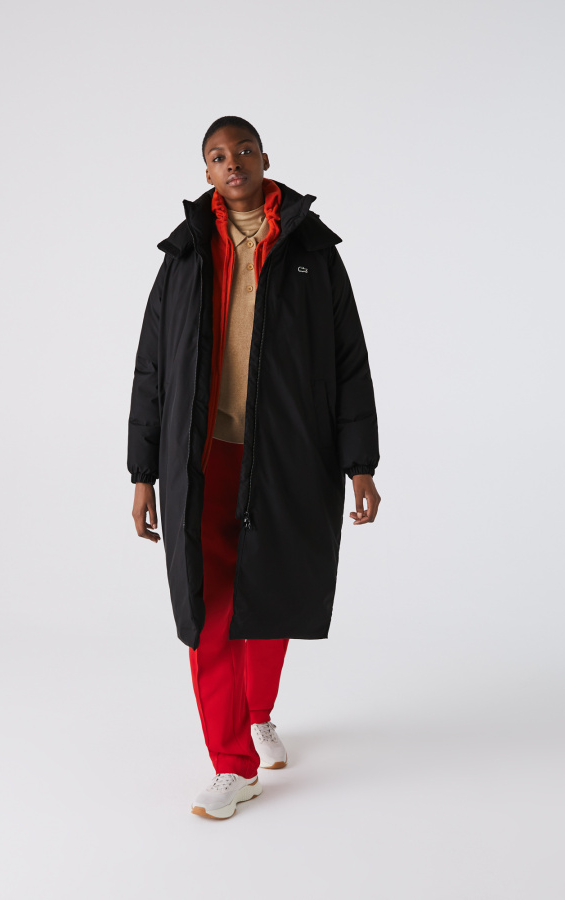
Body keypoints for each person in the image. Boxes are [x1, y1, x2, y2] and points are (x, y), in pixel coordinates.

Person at [127, 115, 381, 819]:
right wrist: (143, 472)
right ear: (206, 171)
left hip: (289, 454)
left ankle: (259, 711)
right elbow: (152, 367)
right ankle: (232, 764)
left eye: (242, 151)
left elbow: (348, 361)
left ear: (264, 158)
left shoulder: (312, 251)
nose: (231, 162)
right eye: (217, 156)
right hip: (201, 456)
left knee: (270, 596)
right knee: (210, 607)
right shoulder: (184, 253)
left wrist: (360, 463)